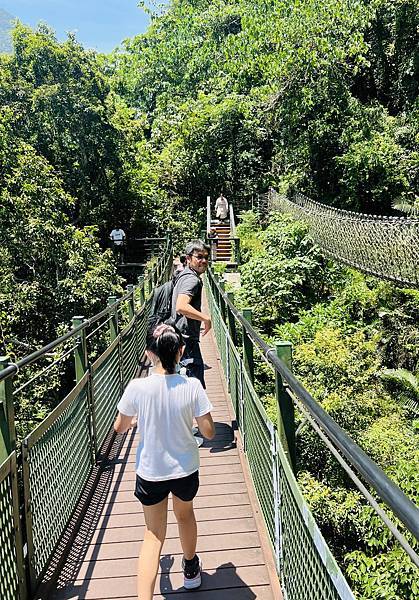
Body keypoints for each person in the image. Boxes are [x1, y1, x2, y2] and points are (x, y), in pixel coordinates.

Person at [114, 323, 215, 599]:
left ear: (149, 354)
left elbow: (119, 427)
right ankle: (191, 570)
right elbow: (208, 431)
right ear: (181, 352)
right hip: (184, 469)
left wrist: (136, 419)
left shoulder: (137, 387)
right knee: (185, 515)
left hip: (151, 471)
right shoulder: (192, 386)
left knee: (153, 535)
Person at [172, 240, 211, 389]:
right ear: (188, 259)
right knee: (196, 390)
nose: (204, 261)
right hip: (187, 341)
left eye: (206, 257)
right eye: (199, 257)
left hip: (181, 338)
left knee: (187, 388)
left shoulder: (184, 275)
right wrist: (205, 318)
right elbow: (181, 306)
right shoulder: (191, 279)